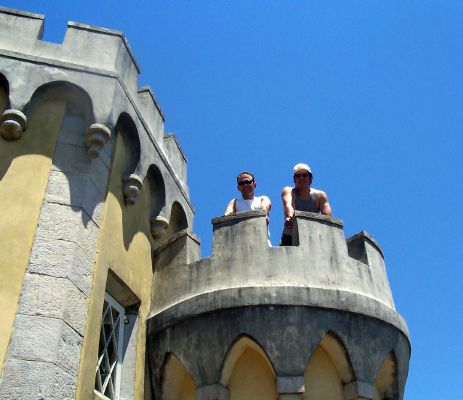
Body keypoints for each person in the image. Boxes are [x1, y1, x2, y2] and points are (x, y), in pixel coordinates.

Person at [280, 163, 332, 246]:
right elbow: (288, 205)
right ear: (294, 179)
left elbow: (328, 217)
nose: (301, 178)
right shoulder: (289, 191)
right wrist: (289, 217)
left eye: (304, 175)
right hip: (290, 237)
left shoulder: (320, 196)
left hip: (313, 237)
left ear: (310, 178)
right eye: (298, 175)